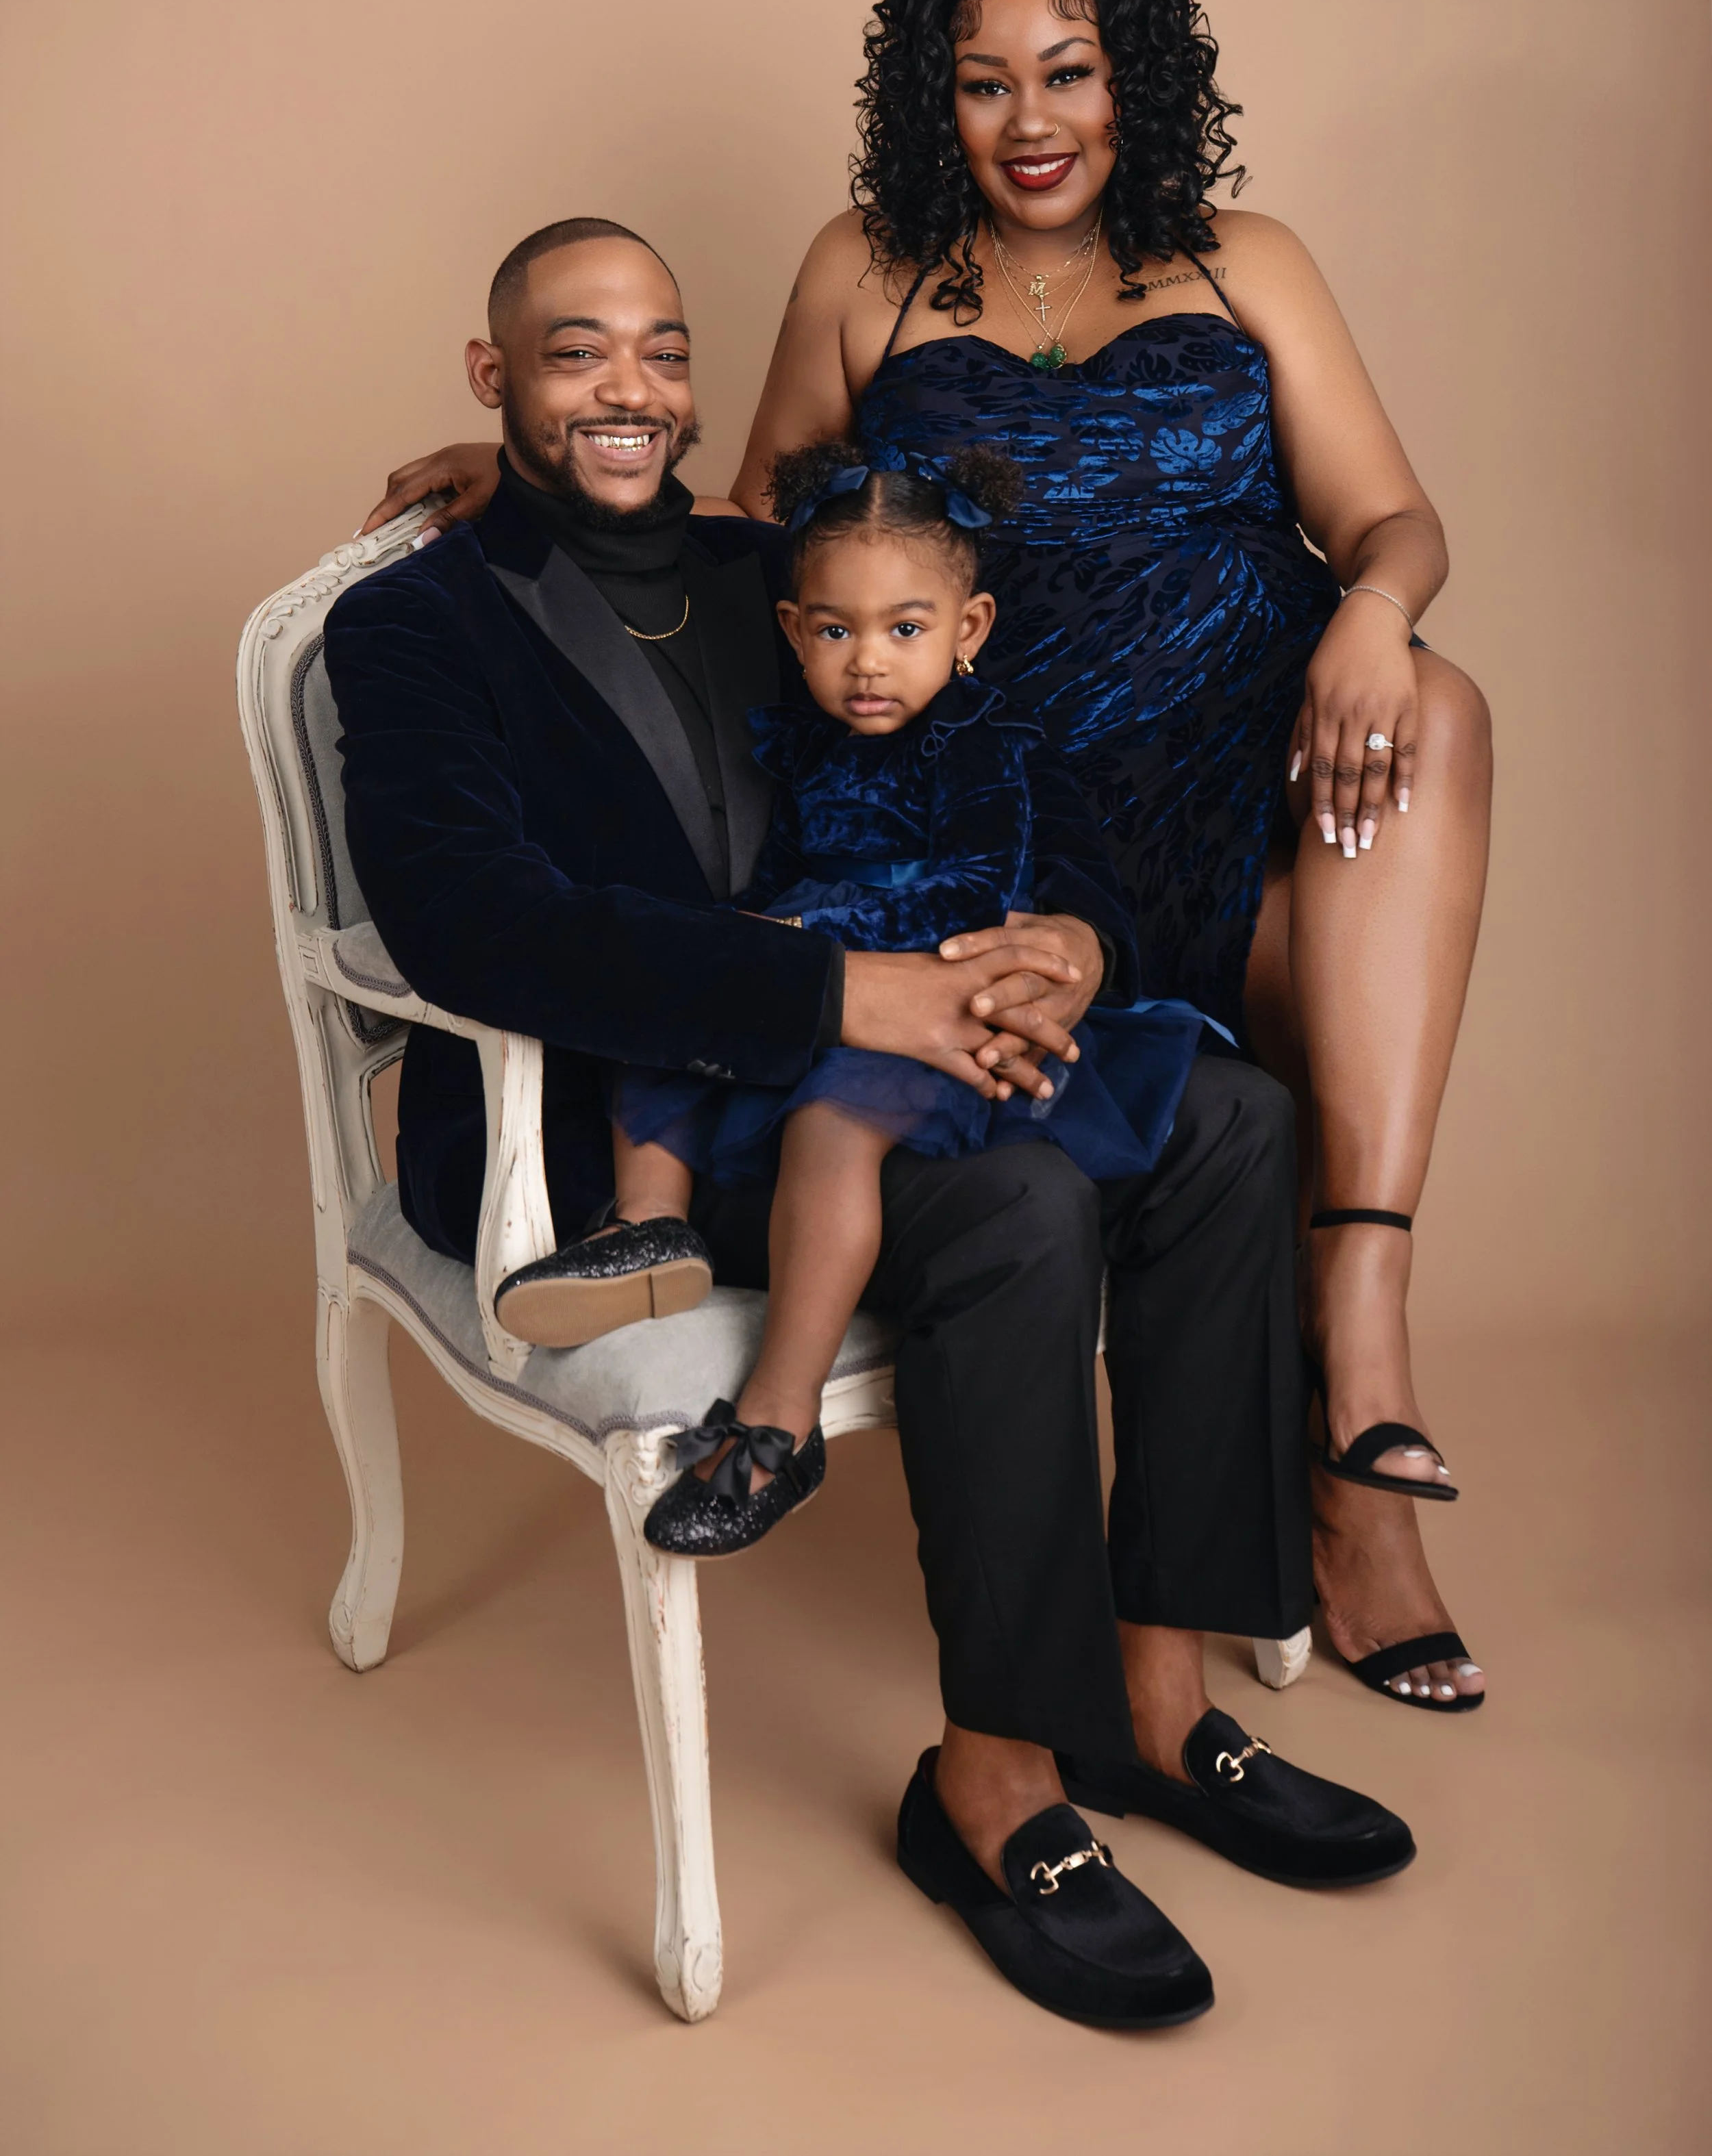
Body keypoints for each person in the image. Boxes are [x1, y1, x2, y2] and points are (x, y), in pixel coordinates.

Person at [362, 0, 1491, 1712]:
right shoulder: (865, 270)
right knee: (1189, 1119)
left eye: (1065, 72)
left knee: (1434, 702)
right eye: (980, 84)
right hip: (1010, 791)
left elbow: (1397, 517)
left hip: (1254, 754)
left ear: (1134, 80)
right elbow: (757, 535)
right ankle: (1119, 1665)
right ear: (931, 102)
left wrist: (1369, 609)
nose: (1028, 119)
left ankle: (1358, 1372)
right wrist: (528, 479)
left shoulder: (1243, 257)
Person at [329, 216, 1414, 2030]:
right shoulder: (414, 622)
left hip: (885, 1053)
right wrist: (854, 1002)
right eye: (575, 350)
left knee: (1226, 1118)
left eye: (661, 350)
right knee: (1009, 1207)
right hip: (626, 1126)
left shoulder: (798, 567)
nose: (630, 387)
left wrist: (1074, 937)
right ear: (490, 376)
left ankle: (1155, 1700)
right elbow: (471, 928)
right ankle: (990, 1780)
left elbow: (1007, 769)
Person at [586, 436, 1223, 1561]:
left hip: (951, 1000)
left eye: (905, 630)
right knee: (681, 1014)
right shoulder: (814, 749)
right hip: (842, 986)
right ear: (794, 630)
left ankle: (778, 1423)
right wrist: (757, 950)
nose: (867, 663)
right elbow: (783, 879)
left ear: (967, 630)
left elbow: (971, 893)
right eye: (835, 632)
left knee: (831, 1130)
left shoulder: (980, 746)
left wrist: (790, 941)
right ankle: (645, 1229)